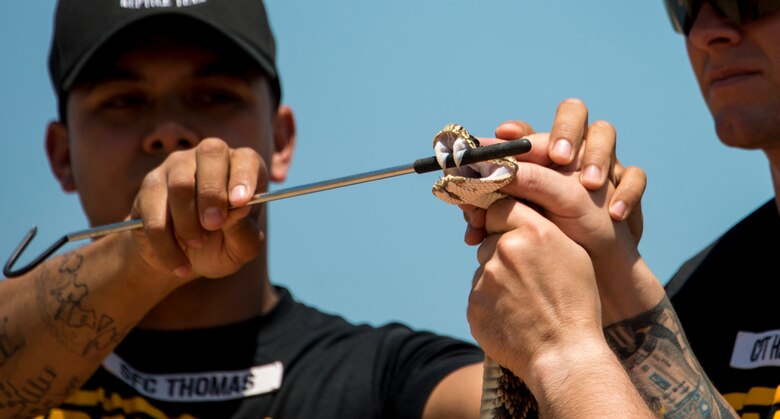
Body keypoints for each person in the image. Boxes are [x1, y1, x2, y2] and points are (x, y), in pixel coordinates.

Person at [0, 1, 640, 418]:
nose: (170, 131)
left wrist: (603, 290)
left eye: (212, 94)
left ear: (281, 140)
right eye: (121, 102)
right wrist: (143, 253)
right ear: (58, 154)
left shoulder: (384, 380)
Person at [462, 0, 780, 417]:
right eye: (685, 7)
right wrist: (608, 274)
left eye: (745, 2)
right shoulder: (708, 295)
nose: (704, 32)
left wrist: (566, 355)